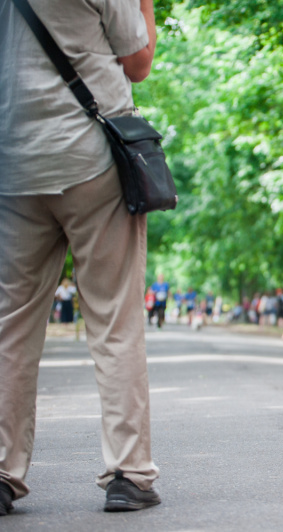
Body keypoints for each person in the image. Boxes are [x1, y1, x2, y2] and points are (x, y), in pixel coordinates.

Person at [0, 0, 161, 515]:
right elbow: (138, 61)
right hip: (91, 159)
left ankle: (2, 470)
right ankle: (128, 473)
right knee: (114, 318)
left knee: (9, 326)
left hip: (13, 162)